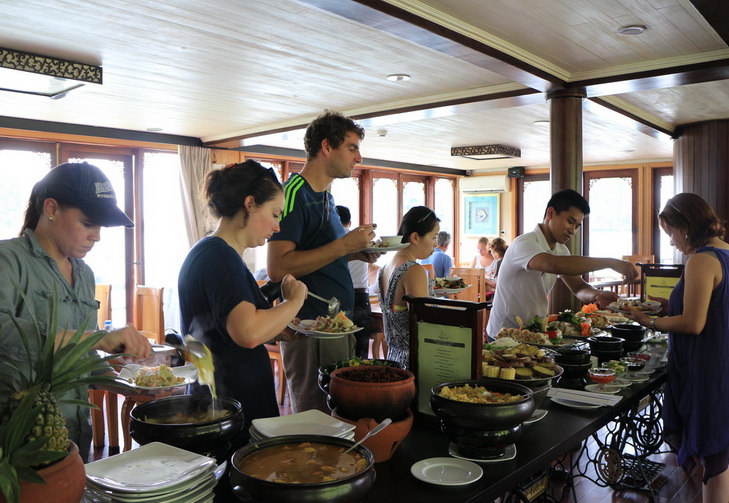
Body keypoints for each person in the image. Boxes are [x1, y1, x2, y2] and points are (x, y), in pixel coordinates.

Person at [0, 162, 151, 462]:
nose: (96, 236)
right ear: (52, 209)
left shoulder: (84, 275)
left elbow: (82, 360)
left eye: (100, 227)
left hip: (72, 434)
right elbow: (4, 333)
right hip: (17, 439)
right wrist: (96, 338)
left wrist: (132, 386)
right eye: (87, 223)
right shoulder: (9, 260)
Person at [178, 161, 307, 440]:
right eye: (274, 214)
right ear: (250, 203)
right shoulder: (219, 256)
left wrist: (278, 328)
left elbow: (227, 326)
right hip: (228, 406)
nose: (277, 225)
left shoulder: (213, 253)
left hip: (221, 400)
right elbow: (247, 333)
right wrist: (294, 302)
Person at [267, 111, 378, 413]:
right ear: (327, 146)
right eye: (352, 147)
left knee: (336, 416)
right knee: (313, 421)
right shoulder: (293, 194)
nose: (358, 157)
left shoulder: (326, 196)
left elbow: (323, 254)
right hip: (309, 328)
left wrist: (354, 252)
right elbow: (278, 268)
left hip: (333, 326)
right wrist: (343, 244)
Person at [624, 193, 729, 502]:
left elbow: (694, 323)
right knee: (721, 453)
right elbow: (711, 308)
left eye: (670, 232)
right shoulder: (725, 253)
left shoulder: (701, 259)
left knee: (713, 459)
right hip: (722, 363)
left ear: (684, 226)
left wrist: (648, 321)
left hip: (707, 368)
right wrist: (664, 305)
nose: (670, 241)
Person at [486, 189, 638, 336]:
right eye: (570, 222)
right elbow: (551, 264)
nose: (572, 231)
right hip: (504, 332)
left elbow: (579, 287)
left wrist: (598, 295)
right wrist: (611, 263)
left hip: (534, 331)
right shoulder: (524, 243)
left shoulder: (561, 249)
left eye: (577, 226)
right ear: (551, 213)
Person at [379, 206, 439, 369]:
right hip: (415, 360)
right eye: (433, 237)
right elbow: (424, 324)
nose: (435, 245)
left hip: (393, 358)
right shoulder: (414, 270)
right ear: (415, 237)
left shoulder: (385, 268)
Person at [336, 205, 373, 359]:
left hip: (339, 300)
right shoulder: (360, 240)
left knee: (340, 352)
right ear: (349, 222)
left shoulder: (334, 241)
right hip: (361, 298)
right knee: (361, 350)